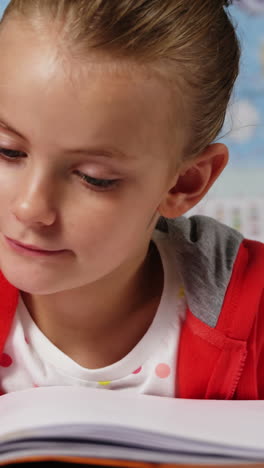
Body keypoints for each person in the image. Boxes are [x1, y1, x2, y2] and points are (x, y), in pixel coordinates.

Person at [0, 0, 263, 400]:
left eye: (94, 178)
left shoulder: (252, 310)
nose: (30, 208)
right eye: (7, 151)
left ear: (184, 184)